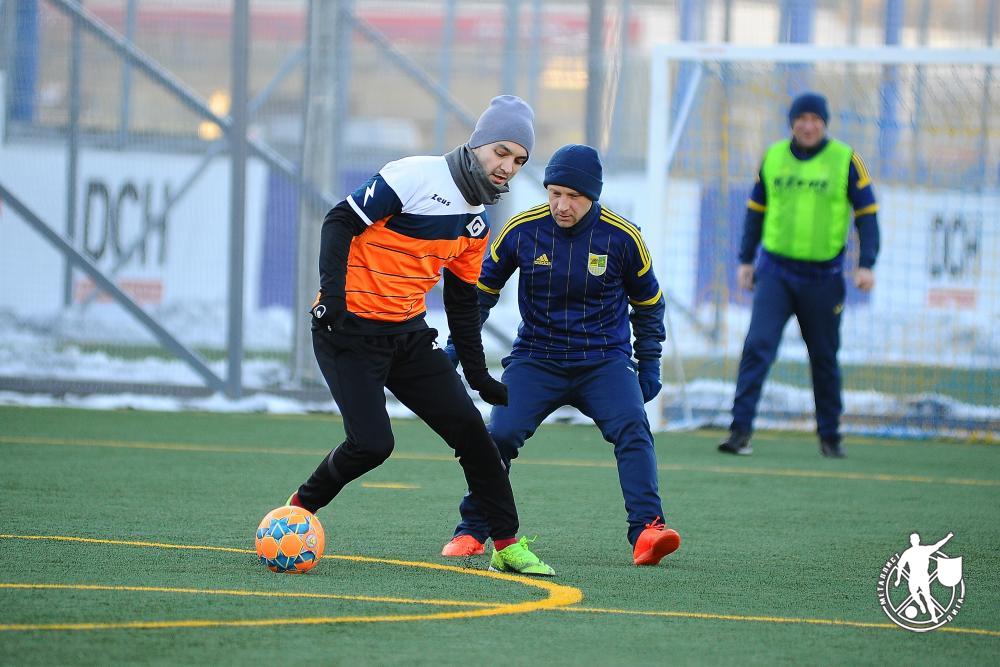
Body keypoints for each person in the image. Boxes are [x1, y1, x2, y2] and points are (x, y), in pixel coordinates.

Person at [288, 95, 554, 576]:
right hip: (347, 331)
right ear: (477, 144)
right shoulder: (412, 175)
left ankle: (507, 544)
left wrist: (478, 374)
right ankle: (298, 510)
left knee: (475, 434)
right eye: (501, 152)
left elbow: (462, 303)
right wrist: (334, 299)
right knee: (372, 445)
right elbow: (339, 220)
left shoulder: (477, 220)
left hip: (408, 336)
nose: (507, 167)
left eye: (519, 161)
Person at [440, 144, 682, 567]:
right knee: (498, 436)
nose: (562, 205)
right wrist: (453, 353)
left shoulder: (624, 237)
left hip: (604, 360)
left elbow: (649, 307)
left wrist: (650, 365)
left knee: (633, 427)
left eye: (573, 196)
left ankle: (648, 531)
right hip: (537, 358)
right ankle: (473, 530)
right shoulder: (522, 229)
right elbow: (479, 298)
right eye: (554, 193)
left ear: (593, 197)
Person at [718, 92, 880, 458]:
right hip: (775, 273)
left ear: (824, 123)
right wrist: (745, 260)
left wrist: (866, 263)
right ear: (792, 122)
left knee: (823, 357)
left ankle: (830, 437)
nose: (808, 126)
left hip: (823, 278)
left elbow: (867, 215)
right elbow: (755, 211)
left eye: (815, 119)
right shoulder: (773, 157)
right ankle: (739, 431)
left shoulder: (846, 159)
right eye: (801, 119)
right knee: (757, 347)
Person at [895, 532, 953, 622]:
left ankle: (933, 616)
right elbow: (900, 566)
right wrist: (898, 579)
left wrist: (948, 537)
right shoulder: (907, 553)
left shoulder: (924, 550)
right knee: (914, 594)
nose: (914, 541)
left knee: (928, 598)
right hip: (913, 578)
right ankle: (921, 604)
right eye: (913, 539)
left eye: (915, 539)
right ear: (911, 541)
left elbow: (937, 545)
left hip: (923, 578)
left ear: (918, 540)